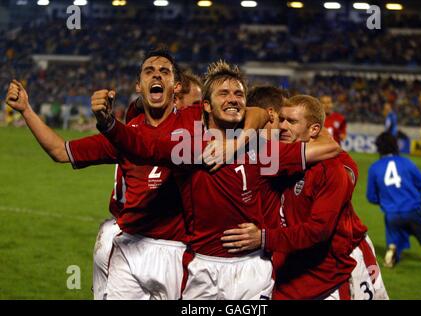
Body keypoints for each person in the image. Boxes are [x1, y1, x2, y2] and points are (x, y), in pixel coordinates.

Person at [94, 61, 341, 299]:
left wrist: (238, 141)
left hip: (253, 270)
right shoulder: (189, 149)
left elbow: (330, 148)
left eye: (238, 94)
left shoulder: (263, 151)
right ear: (207, 106)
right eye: (223, 93)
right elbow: (141, 146)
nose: (233, 98)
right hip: (202, 270)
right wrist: (108, 124)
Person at [5, 50, 191, 300]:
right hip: (129, 247)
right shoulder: (124, 135)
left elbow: (246, 117)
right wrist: (26, 110)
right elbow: (61, 151)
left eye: (164, 71)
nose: (156, 74)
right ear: (139, 85)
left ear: (176, 86)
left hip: (176, 249)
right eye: (149, 71)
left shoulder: (193, 125)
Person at [221, 94, 389, 300]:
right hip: (291, 263)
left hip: (340, 257)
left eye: (290, 121)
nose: (282, 127)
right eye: (280, 120)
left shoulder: (332, 166)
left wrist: (264, 238)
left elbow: (319, 228)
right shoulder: (271, 156)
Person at [367, 132, 421, 272]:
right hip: (412, 209)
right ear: (395, 145)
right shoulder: (406, 162)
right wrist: (418, 202)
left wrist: (387, 203)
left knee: (396, 241)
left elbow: (371, 196)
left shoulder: (374, 167)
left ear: (379, 148)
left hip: (391, 214)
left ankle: (392, 251)